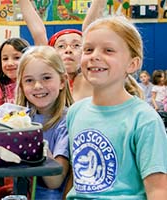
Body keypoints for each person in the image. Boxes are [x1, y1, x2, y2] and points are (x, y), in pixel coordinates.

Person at [66, 16, 167, 199]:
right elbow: (78, 179)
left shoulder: (144, 119)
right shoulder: (75, 112)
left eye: (108, 50)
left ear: (132, 64)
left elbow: (158, 189)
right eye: (88, 49)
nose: (95, 55)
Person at [15, 46, 73, 199]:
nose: (38, 86)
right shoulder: (17, 118)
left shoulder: (68, 122)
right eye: (29, 80)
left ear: (62, 81)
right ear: (21, 85)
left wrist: (35, 142)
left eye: (46, 78)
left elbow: (55, 180)